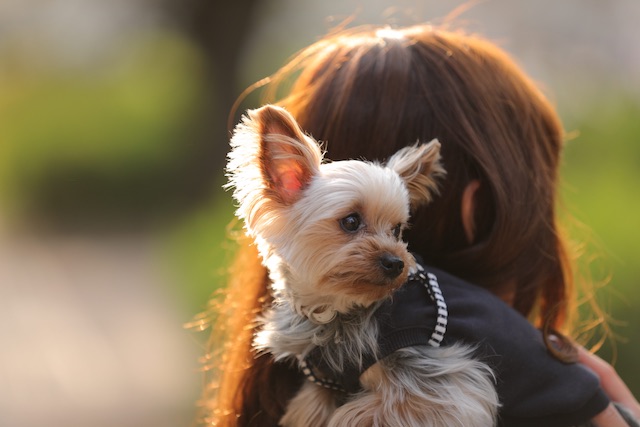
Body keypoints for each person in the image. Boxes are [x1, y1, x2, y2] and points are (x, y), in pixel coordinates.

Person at [198, 24, 640, 426]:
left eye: (396, 231)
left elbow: (449, 402)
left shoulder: (419, 316)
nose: (392, 253)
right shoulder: (393, 319)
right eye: (352, 223)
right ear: (478, 206)